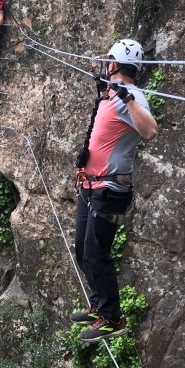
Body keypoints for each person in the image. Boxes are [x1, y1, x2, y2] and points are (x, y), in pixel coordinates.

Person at [72, 39, 158, 343]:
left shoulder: (130, 95)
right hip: (90, 186)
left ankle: (112, 319)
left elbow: (150, 130)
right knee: (83, 251)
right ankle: (98, 305)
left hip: (109, 190)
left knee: (97, 255)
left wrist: (127, 97)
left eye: (108, 62)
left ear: (115, 65)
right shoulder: (111, 94)